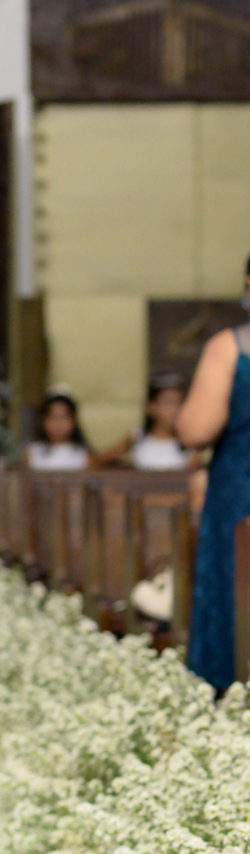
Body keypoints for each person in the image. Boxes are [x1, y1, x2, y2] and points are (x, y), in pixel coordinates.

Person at [178, 290, 250, 691]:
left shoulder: (230, 348)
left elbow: (195, 430)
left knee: (235, 594)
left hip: (241, 491)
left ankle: (229, 693)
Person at [94, 375, 192, 470]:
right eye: (169, 403)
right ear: (151, 407)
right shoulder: (137, 438)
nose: (176, 410)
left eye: (181, 403)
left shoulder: (189, 441)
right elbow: (101, 460)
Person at [25, 390, 90, 470]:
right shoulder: (31, 453)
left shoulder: (84, 455)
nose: (58, 423)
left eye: (64, 417)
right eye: (53, 417)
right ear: (42, 421)